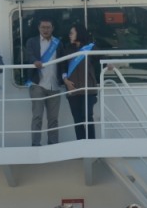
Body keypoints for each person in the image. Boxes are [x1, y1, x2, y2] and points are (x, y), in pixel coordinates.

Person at [25, 16, 64, 146]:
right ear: (38, 28)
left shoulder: (58, 43)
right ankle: (35, 144)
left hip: (54, 85)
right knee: (37, 117)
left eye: (48, 27)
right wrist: (34, 61)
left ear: (52, 28)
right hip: (38, 84)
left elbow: (63, 62)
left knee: (53, 119)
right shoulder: (32, 41)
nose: (45, 30)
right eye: (43, 27)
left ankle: (53, 144)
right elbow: (29, 55)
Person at [61, 24, 99, 140]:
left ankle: (91, 142)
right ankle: (81, 143)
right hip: (72, 89)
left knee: (87, 116)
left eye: (72, 33)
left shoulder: (91, 48)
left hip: (88, 88)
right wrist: (65, 81)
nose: (69, 35)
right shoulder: (67, 49)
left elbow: (102, 59)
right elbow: (62, 67)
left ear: (79, 33)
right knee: (77, 119)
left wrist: (109, 64)